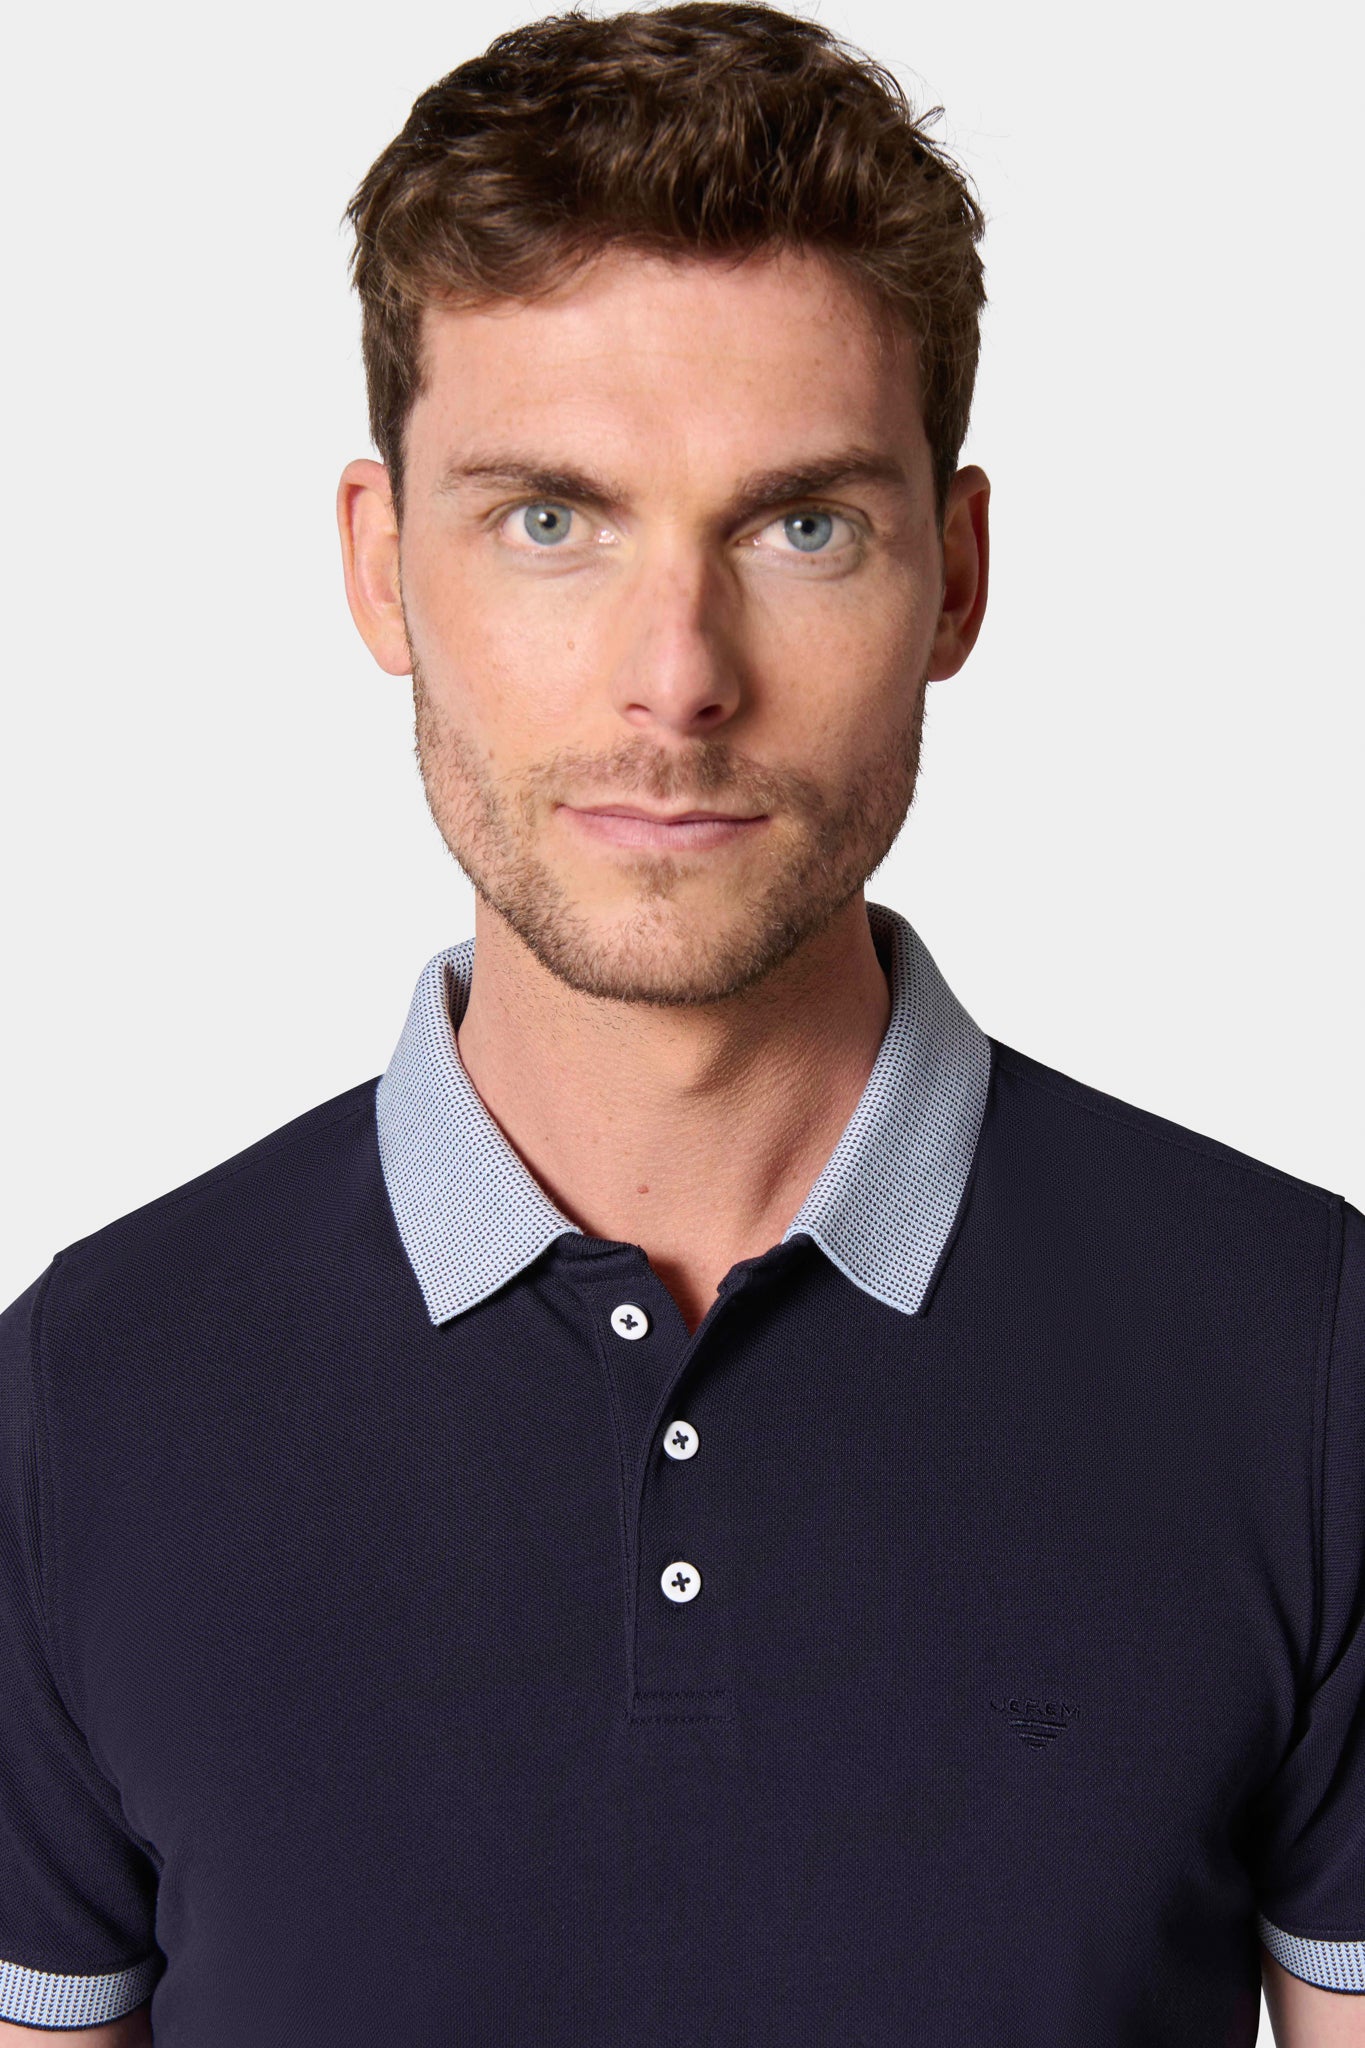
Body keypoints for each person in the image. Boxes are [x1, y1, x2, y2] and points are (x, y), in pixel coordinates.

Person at [0, 4, 1360, 2042]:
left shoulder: (1306, 1359)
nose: (677, 676)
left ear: (953, 577)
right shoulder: (82, 1402)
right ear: (380, 567)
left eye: (799, 524)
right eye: (549, 519)